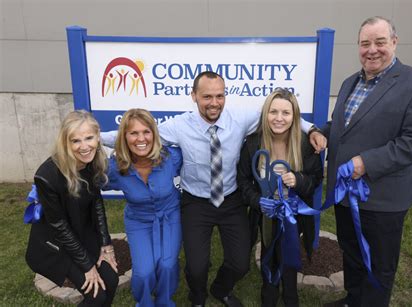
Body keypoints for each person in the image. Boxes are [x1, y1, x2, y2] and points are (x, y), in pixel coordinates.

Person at [101, 71, 317, 306]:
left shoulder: (240, 119)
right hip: (196, 202)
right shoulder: (179, 125)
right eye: (207, 97)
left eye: (219, 96)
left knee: (240, 263)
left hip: (231, 199)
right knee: (196, 267)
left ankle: (220, 289)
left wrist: (313, 129)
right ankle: (198, 297)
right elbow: (129, 135)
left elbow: (281, 116)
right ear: (193, 96)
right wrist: (92, 138)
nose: (214, 103)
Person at [310, 16, 412, 307]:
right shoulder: (350, 82)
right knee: (352, 254)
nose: (372, 50)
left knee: (378, 264)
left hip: (382, 198)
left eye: (380, 42)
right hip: (345, 195)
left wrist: (366, 162)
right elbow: (343, 124)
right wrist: (322, 133)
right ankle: (354, 299)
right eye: (365, 43)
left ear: (394, 42)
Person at [237, 88, 323, 307]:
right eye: (273, 112)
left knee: (290, 257)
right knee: (269, 252)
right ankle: (269, 295)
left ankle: (291, 297)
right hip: (266, 213)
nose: (279, 118)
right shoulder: (253, 143)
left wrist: (299, 180)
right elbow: (244, 181)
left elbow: (315, 179)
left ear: (295, 116)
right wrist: (257, 201)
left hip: (293, 214)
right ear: (265, 114)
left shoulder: (305, 144)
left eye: (285, 113)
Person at [25, 110, 118, 306]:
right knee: (96, 295)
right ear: (66, 142)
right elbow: (59, 226)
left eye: (89, 138)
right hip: (57, 244)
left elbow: (96, 203)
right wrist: (87, 266)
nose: (84, 146)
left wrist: (105, 244)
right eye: (76, 141)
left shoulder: (93, 161)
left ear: (98, 137)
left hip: (83, 233)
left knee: (111, 280)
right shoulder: (46, 176)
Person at [102, 108, 182, 306]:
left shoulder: (171, 157)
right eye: (134, 133)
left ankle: (164, 301)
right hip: (139, 221)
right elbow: (88, 183)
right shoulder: (114, 167)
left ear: (154, 135)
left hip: (170, 216)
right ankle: (144, 302)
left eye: (146, 132)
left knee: (167, 265)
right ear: (124, 137)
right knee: (144, 272)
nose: (141, 138)